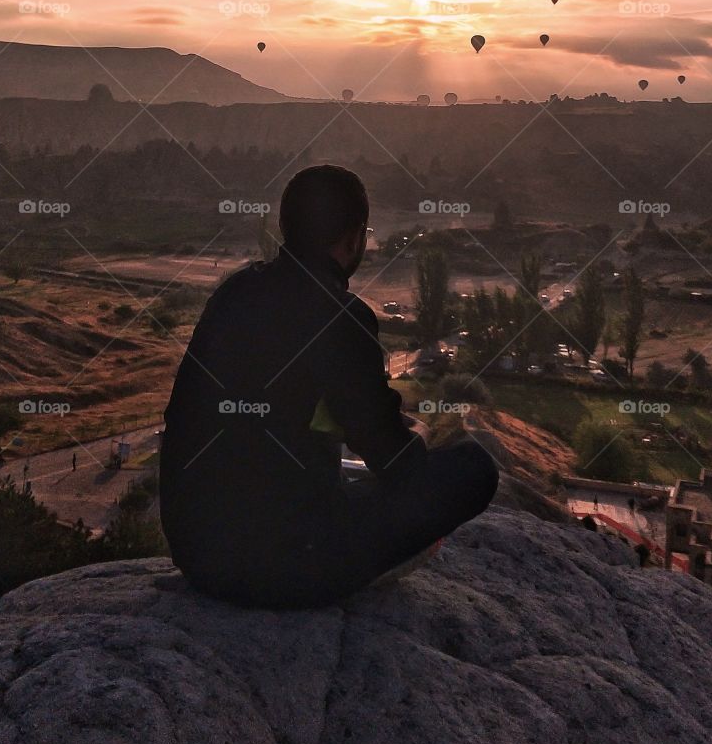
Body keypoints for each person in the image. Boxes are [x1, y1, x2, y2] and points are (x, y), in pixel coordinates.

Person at [159, 165, 498, 610]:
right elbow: (395, 462)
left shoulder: (234, 293)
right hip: (289, 566)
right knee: (474, 467)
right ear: (355, 238)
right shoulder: (344, 318)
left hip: (198, 554)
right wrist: (418, 431)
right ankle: (365, 567)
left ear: (284, 228)